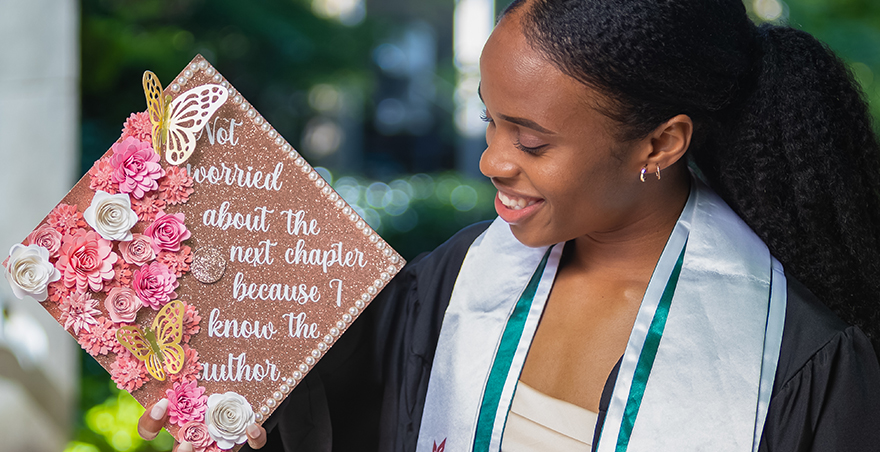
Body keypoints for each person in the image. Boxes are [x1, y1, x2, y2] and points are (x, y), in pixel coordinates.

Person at [139, 0, 880, 450]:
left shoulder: (795, 360)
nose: (493, 161)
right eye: (489, 122)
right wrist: (230, 398)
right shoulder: (457, 280)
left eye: (531, 141)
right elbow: (339, 415)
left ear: (660, 143)